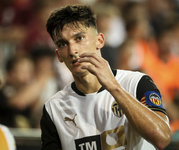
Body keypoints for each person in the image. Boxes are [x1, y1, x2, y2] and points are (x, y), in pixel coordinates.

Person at [40, 4, 171, 150]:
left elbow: (162, 138)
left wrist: (114, 87)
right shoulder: (54, 108)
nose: (72, 50)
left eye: (79, 38)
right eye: (63, 44)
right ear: (59, 56)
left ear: (99, 41)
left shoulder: (137, 83)